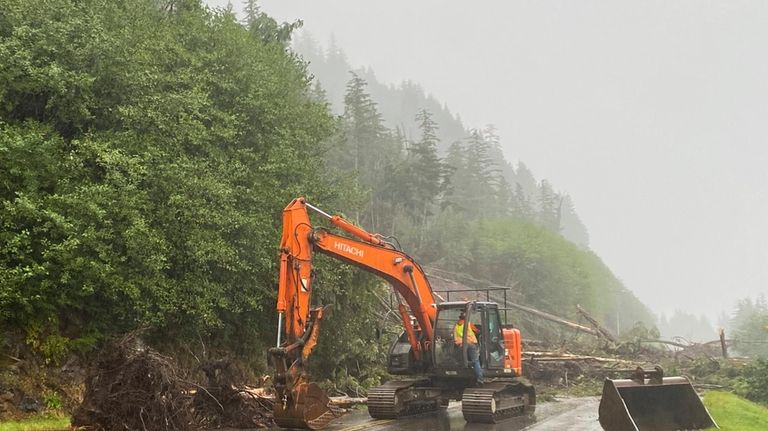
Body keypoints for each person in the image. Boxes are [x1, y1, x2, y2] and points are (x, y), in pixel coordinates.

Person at [454, 311, 483, 384]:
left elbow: (455, 337)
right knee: (475, 361)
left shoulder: (456, 326)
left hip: (461, 345)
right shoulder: (468, 324)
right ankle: (480, 379)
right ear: (466, 317)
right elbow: (477, 331)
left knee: (462, 360)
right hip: (471, 344)